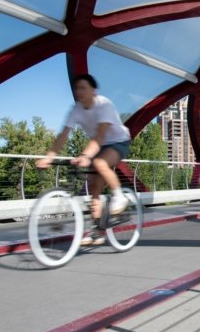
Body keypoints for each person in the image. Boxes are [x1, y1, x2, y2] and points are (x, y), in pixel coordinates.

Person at [36, 74, 130, 245]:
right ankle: (97, 232)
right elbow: (63, 134)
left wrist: (86, 156)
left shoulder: (104, 105)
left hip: (118, 141)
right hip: (99, 146)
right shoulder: (76, 109)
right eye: (76, 88)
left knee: (100, 163)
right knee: (94, 188)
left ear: (93, 90)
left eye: (83, 88)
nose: (79, 91)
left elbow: (100, 136)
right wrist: (49, 156)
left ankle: (120, 196)